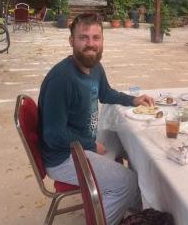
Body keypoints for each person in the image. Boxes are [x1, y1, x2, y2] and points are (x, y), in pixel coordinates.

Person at [38, 12, 154, 225]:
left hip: (83, 142)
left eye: (96, 38)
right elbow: (53, 134)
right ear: (71, 41)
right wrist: (90, 145)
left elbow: (106, 93)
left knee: (124, 136)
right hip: (64, 156)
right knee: (128, 181)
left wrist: (134, 99)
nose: (90, 44)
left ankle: (131, 209)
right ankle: (110, 212)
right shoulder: (61, 79)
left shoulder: (94, 66)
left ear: (102, 40)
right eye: (83, 38)